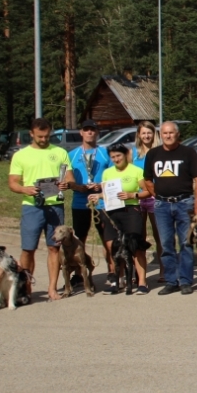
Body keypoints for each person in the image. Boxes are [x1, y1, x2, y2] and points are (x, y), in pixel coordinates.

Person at [7, 116, 73, 302]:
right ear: (31, 134)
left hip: (55, 206)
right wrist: (25, 189)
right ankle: (27, 287)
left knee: (54, 248)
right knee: (28, 249)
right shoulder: (21, 155)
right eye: (40, 137)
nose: (44, 140)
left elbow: (70, 178)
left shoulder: (60, 152)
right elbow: (12, 183)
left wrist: (65, 184)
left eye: (46, 136)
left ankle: (52, 289)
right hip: (32, 207)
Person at [143, 121, 197, 296]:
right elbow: (147, 179)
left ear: (177, 134)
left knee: (186, 243)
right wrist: (158, 195)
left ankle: (185, 281)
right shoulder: (153, 154)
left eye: (171, 133)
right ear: (160, 135)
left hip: (184, 203)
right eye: (164, 133)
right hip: (162, 205)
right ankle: (171, 280)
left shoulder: (188, 153)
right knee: (166, 244)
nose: (168, 136)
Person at [91, 141, 149, 293]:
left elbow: (147, 191)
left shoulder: (136, 170)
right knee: (113, 247)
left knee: (135, 247)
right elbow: (106, 193)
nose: (116, 159)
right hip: (112, 212)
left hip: (131, 210)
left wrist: (132, 194)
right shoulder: (107, 173)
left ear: (125, 155)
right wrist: (97, 196)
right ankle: (118, 281)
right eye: (113, 157)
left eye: (118, 156)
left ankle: (142, 282)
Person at [66, 119, 111, 282]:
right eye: (86, 129)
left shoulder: (105, 153)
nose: (90, 132)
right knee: (79, 239)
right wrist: (78, 187)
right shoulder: (72, 155)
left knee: (107, 238)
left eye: (93, 130)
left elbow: (113, 178)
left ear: (97, 132)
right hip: (80, 201)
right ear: (81, 132)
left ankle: (111, 271)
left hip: (102, 201)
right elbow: (66, 180)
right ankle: (79, 274)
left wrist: (100, 185)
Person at [131, 119, 165, 270]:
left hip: (155, 197)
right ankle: (140, 273)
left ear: (154, 134)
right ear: (139, 135)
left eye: (149, 133)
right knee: (139, 236)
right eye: (143, 133)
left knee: (160, 236)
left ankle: (164, 270)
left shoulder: (160, 151)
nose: (146, 136)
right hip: (137, 198)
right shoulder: (133, 153)